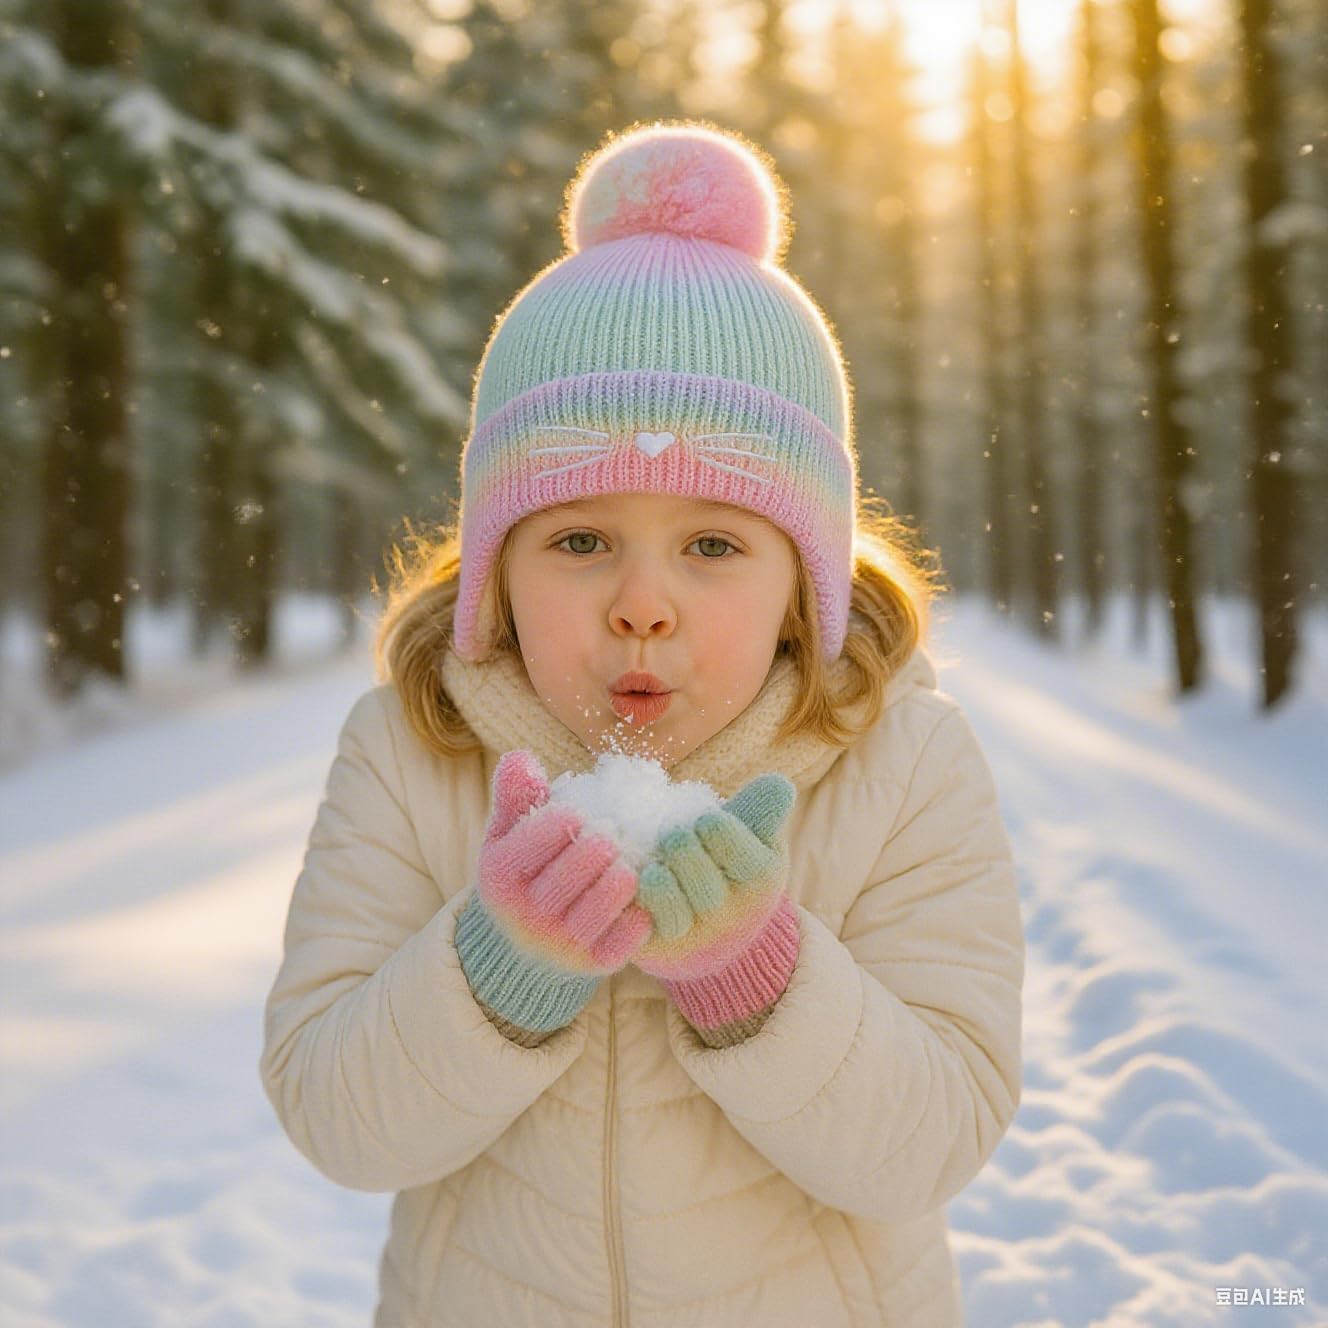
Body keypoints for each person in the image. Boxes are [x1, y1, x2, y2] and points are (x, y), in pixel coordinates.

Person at [259, 119, 1025, 1328]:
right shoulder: (415, 753)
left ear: (804, 580)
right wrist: (500, 968)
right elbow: (337, 1119)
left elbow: (929, 1143)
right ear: (495, 569)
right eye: (578, 540)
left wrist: (752, 974)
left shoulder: (902, 764)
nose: (641, 606)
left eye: (713, 544)